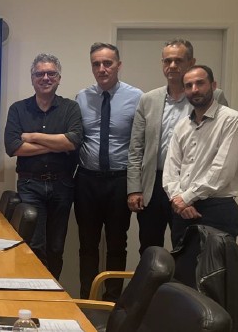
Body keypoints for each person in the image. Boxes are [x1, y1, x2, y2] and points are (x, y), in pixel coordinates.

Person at [127, 39, 228, 254]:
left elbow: (220, 147)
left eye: (178, 60)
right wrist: (134, 188)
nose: (172, 66)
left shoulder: (212, 96)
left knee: (188, 248)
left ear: (191, 62)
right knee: (150, 248)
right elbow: (136, 147)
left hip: (191, 186)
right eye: (167, 61)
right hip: (154, 186)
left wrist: (193, 192)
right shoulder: (148, 99)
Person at [4, 53, 83, 278]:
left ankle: (54, 291)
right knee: (34, 245)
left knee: (56, 248)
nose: (45, 78)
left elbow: (73, 142)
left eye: (51, 73)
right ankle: (34, 290)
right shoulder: (18, 109)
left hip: (62, 186)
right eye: (40, 74)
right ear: (32, 78)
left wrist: (32, 136)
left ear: (59, 78)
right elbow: (13, 147)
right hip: (30, 185)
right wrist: (57, 144)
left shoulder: (70, 108)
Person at [74, 43, 142, 301]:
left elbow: (140, 143)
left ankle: (113, 302)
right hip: (87, 180)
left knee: (116, 244)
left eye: (107, 63)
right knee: (87, 244)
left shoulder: (137, 97)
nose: (102, 69)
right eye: (96, 64)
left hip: (119, 180)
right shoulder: (82, 97)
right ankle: (86, 300)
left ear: (118, 65)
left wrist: (136, 186)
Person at [164, 65, 238, 245]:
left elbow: (222, 170)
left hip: (217, 209)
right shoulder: (182, 125)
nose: (194, 89)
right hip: (183, 210)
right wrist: (178, 198)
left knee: (217, 263)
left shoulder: (231, 119)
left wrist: (185, 198)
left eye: (200, 83)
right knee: (182, 262)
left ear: (213, 85)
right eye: (189, 85)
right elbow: (170, 168)